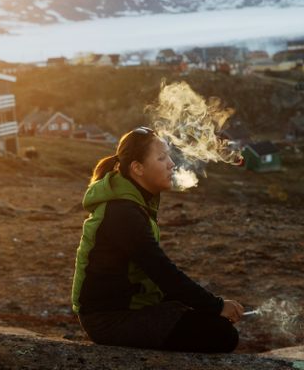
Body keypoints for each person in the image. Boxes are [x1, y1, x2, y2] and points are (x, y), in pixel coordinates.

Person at [71, 127, 243, 352]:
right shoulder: (122, 212)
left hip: (129, 308)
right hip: (109, 320)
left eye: (169, 156)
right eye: (161, 158)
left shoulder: (132, 203)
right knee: (223, 335)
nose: (171, 164)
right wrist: (216, 305)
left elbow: (154, 275)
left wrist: (206, 307)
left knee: (209, 322)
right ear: (137, 168)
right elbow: (160, 270)